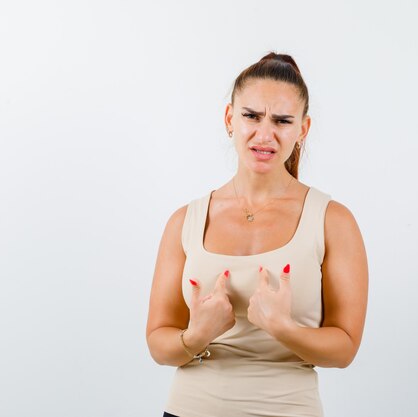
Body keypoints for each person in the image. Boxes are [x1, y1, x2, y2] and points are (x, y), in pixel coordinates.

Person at [146, 52, 368, 417]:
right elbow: (158, 342)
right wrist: (195, 336)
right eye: (251, 116)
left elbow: (344, 348)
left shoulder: (333, 221)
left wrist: (284, 328)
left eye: (282, 121)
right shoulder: (185, 221)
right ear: (230, 118)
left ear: (303, 129)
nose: (264, 134)